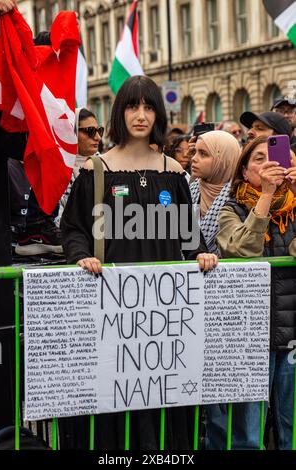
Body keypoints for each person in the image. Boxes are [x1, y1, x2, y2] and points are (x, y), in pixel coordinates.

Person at [61, 75, 218, 449]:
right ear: (120, 112)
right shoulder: (94, 170)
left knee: (162, 417)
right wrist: (82, 257)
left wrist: (201, 254)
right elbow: (73, 229)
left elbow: (187, 236)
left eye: (149, 106)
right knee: (115, 417)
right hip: (111, 317)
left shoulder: (173, 171)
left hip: (163, 322)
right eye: (133, 106)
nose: (141, 115)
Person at [209, 135, 296, 450]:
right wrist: (267, 196)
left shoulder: (294, 207)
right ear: (244, 171)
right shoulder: (231, 208)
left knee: (291, 428)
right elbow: (243, 249)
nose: (269, 163)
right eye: (258, 159)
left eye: (275, 156)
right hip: (249, 336)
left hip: (291, 331)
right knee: (247, 433)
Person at [189, 130, 241, 254]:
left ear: (223, 159)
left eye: (203, 154)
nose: (194, 159)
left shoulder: (241, 196)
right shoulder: (190, 190)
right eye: (194, 152)